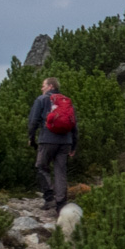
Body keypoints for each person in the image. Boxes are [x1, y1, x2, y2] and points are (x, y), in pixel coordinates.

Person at [28, 76, 77, 213]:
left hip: (47, 140)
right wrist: (73, 145)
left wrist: (31, 138)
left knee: (41, 167)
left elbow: (33, 121)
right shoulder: (67, 101)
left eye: (43, 85)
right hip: (65, 142)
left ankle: (49, 199)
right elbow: (74, 125)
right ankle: (61, 203)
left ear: (50, 86)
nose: (41, 88)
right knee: (60, 171)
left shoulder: (41, 100)